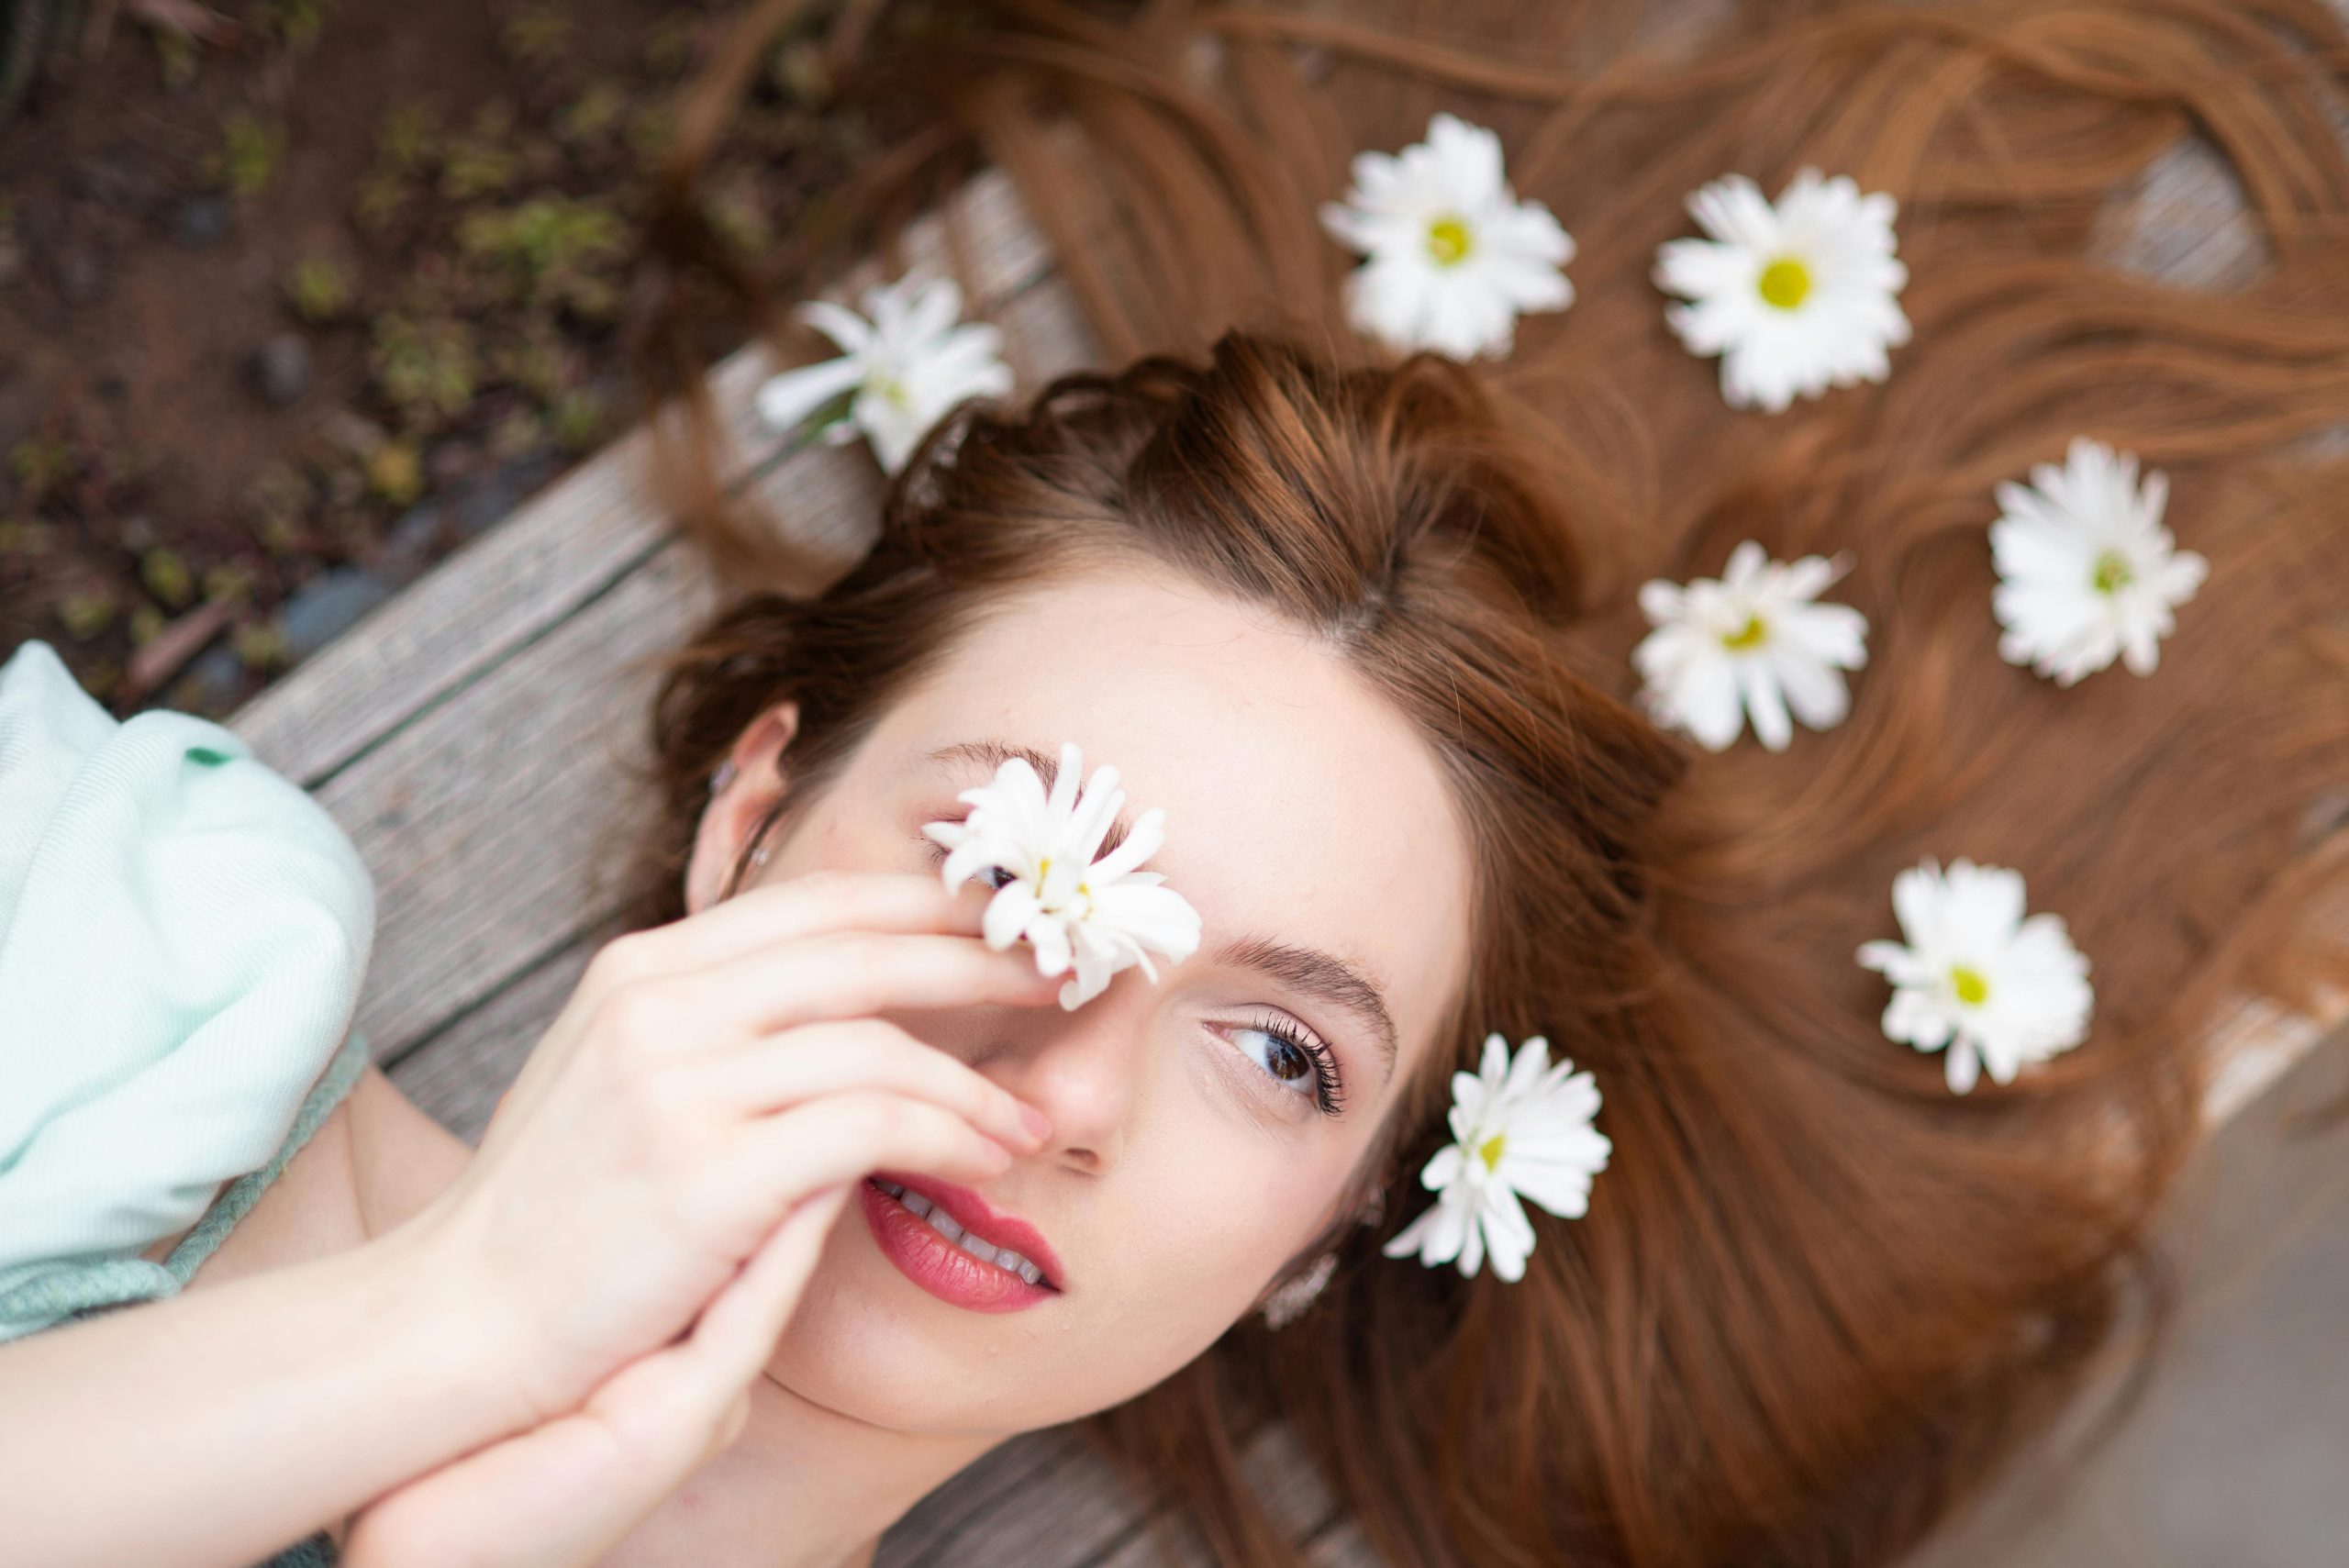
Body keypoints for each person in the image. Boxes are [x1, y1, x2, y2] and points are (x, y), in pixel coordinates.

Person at [6, 2, 2349, 1566]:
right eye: (1018, 856)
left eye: (1278, 1046)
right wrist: (457, 1324)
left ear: (1324, 1237)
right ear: (754, 812)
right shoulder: (157, 942)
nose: (1060, 1075)